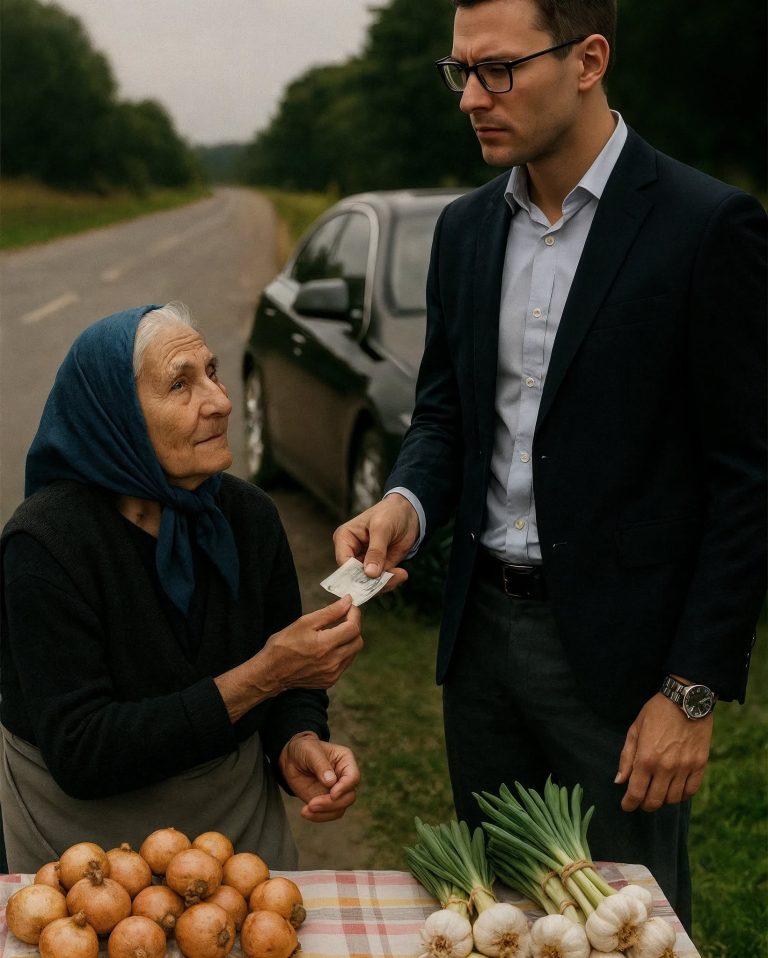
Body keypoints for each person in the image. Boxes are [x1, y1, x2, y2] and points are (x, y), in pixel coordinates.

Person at [333, 0, 767, 927]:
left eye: (498, 70)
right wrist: (407, 497)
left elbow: (748, 479)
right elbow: (446, 415)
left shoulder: (707, 226)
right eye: (461, 72)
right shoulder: (463, 232)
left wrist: (689, 688)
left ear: (588, 58)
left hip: (621, 667)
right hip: (481, 645)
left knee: (623, 929)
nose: (472, 99)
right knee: (493, 919)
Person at [0, 302, 364, 873]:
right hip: (79, 849)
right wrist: (263, 675)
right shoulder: (46, 545)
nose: (219, 402)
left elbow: (289, 683)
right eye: (179, 384)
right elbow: (81, 752)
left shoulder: (249, 518)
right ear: (114, 417)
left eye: (212, 373)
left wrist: (298, 738)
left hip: (234, 822)